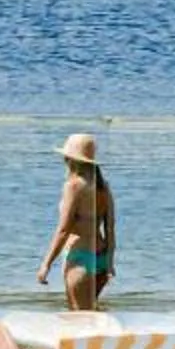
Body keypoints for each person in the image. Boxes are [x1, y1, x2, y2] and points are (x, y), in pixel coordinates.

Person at [35, 133, 115, 311]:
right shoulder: (103, 186)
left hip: (81, 257)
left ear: (69, 159)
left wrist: (46, 264)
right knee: (91, 315)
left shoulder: (73, 186)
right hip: (101, 257)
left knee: (80, 318)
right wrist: (109, 263)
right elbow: (109, 228)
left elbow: (64, 229)